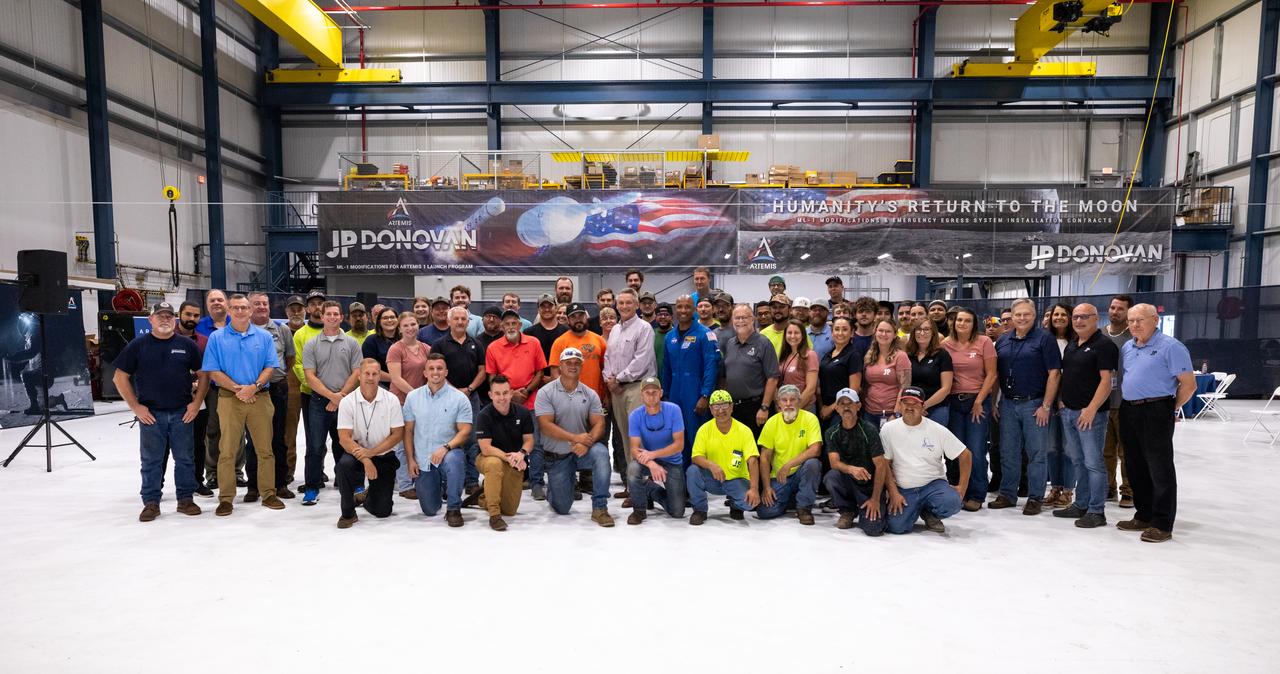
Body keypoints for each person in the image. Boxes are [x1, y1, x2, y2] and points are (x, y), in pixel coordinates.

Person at [114, 302, 210, 521]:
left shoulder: (187, 345)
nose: (165, 320)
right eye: (160, 316)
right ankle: (151, 502)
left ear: (174, 320)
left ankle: (185, 500)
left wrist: (196, 404)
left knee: (185, 459)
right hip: (151, 415)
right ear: (151, 320)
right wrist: (136, 407)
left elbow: (204, 375)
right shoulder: (138, 346)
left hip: (181, 412)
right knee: (151, 461)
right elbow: (119, 377)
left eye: (169, 316)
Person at [1116, 303, 1195, 543]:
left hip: (1157, 408)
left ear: (1155, 320)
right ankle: (1143, 514)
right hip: (1129, 409)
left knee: (1159, 467)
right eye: (1131, 320)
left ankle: (1162, 523)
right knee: (1135, 464)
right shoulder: (1128, 347)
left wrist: (1168, 408)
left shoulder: (1171, 347)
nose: (1134, 325)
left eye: (1140, 320)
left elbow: (1189, 385)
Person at [200, 294, 285, 516]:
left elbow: (270, 367)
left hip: (260, 398)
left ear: (250, 311)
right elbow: (213, 370)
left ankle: (268, 493)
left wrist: (253, 387)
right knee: (227, 451)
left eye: (244, 308)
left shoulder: (265, 337)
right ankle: (226, 498)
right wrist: (238, 389)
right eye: (235, 308)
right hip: (229, 399)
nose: (240, 311)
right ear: (229, 311)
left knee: (265, 450)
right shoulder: (217, 338)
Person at [991, 297, 1062, 516]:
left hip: (1035, 404)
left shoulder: (1045, 339)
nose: (1022, 318)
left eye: (1027, 314)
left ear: (1034, 316)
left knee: (1036, 453)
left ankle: (1034, 497)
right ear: (1011, 317)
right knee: (1008, 451)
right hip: (1008, 404)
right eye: (1018, 314)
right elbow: (995, 375)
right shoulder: (1003, 340)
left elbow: (1054, 373)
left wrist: (1046, 406)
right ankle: (1007, 494)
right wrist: (995, 402)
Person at [1052, 302, 1118, 529]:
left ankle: (1097, 511)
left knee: (1093, 463)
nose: (1079, 321)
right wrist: (1062, 401)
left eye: (1084, 317)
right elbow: (1067, 376)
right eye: (1076, 317)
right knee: (1078, 461)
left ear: (1095, 319)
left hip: (1091, 415)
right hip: (1069, 412)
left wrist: (1090, 410)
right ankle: (1081, 504)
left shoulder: (1104, 346)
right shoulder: (1073, 345)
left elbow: (1106, 382)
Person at [534, 348, 615, 527]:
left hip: (582, 451)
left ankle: (600, 508)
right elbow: (545, 426)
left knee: (601, 454)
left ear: (581, 367)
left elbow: (599, 424)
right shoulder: (546, 392)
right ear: (560, 366)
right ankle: (556, 490)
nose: (573, 366)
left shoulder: (590, 393)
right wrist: (576, 438)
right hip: (558, 456)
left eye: (577, 363)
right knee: (562, 507)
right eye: (568, 363)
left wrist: (587, 443)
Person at [882, 386, 971, 534]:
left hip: (933, 484)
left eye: (914, 403)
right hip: (905, 489)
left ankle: (931, 513)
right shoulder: (888, 429)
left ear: (923, 406)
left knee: (953, 502)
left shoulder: (937, 429)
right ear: (900, 404)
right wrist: (893, 492)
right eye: (906, 403)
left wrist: (962, 487)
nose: (909, 407)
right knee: (896, 527)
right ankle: (916, 509)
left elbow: (965, 454)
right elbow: (885, 463)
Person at [301, 301, 362, 506]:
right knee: (315, 446)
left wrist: (341, 395)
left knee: (346, 444)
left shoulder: (352, 343)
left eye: (336, 314)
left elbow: (357, 372)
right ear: (323, 316)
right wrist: (331, 396)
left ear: (341, 317)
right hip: (319, 402)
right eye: (329, 314)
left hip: (346, 401)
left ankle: (352, 483)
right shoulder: (312, 344)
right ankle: (311, 487)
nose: (333, 317)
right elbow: (310, 376)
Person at [403, 353, 473, 527]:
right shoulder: (413, 397)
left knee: (454, 459)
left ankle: (454, 508)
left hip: (448, 453)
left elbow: (465, 431)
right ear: (425, 372)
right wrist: (411, 460)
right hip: (424, 460)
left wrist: (446, 447)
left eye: (440, 368)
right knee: (430, 509)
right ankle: (440, 488)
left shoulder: (459, 398)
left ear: (446, 372)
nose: (436, 372)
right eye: (431, 368)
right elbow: (408, 431)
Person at [334, 359, 404, 528]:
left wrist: (371, 453)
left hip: (383, 454)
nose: (370, 377)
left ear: (380, 376)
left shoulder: (391, 400)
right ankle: (348, 513)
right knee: (344, 465)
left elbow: (397, 434)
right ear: (359, 375)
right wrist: (365, 459)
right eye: (367, 373)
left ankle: (368, 496)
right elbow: (344, 438)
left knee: (383, 511)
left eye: (374, 374)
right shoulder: (347, 402)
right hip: (356, 454)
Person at [486, 309, 548, 498]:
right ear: (502, 327)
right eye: (507, 324)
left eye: (514, 323)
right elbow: (491, 376)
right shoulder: (493, 347)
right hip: (506, 403)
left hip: (531, 401)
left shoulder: (534, 342)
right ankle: (512, 479)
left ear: (520, 325)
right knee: (507, 443)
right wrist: (510, 395)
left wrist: (527, 391)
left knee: (535, 443)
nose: (511, 327)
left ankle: (536, 482)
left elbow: (540, 372)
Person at [942, 307, 997, 511]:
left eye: (967, 320)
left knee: (976, 448)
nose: (962, 324)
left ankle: (976, 494)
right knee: (954, 450)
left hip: (977, 401)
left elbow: (991, 374)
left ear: (974, 324)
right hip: (953, 402)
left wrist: (979, 401)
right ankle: (956, 491)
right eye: (959, 320)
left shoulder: (984, 342)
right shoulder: (945, 344)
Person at [466, 375, 534, 531]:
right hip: (488, 458)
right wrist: (510, 457)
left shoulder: (523, 413)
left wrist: (521, 454)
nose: (502, 397)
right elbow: (486, 448)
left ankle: (483, 497)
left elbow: (529, 441)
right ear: (491, 395)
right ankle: (494, 516)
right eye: (497, 393)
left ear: (511, 393)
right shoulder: (484, 415)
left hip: (514, 460)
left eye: (505, 393)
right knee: (494, 464)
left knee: (510, 510)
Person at [432, 306, 488, 496]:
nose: (459, 322)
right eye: (455, 319)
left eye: (463, 319)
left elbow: (483, 371)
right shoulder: (439, 344)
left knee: (472, 440)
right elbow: (436, 370)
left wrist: (469, 389)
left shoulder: (476, 343)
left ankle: (472, 481)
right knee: (450, 439)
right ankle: (449, 482)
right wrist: (454, 391)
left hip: (471, 397)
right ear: (449, 321)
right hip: (446, 397)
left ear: (468, 321)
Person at [244, 292, 294, 501]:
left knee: (278, 437)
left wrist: (277, 377)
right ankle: (253, 486)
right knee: (253, 440)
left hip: (277, 388)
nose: (262, 307)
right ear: (249, 307)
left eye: (265, 303)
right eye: (257, 303)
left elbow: (289, 358)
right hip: (252, 392)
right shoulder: (242, 331)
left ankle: (280, 483)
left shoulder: (282, 330)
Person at [687, 390, 762, 524]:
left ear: (732, 407)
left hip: (736, 479)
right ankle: (700, 510)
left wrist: (754, 489)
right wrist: (712, 465)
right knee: (692, 471)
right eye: (716, 406)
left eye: (724, 405)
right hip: (712, 478)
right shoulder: (704, 429)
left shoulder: (744, 431)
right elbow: (696, 457)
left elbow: (753, 461)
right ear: (710, 409)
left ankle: (736, 505)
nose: (721, 410)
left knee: (750, 504)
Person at [660, 295, 718, 464]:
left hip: (695, 395)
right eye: (680, 307)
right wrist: (665, 396)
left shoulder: (705, 335)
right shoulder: (669, 337)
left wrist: (705, 395)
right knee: (677, 439)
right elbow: (666, 369)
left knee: (696, 439)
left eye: (687, 307)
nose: (683, 310)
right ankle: (680, 484)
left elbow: (711, 366)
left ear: (694, 309)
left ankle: (697, 484)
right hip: (675, 397)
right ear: (675, 310)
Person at [822, 388, 887, 535]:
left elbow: (881, 466)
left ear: (858, 406)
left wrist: (875, 499)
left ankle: (878, 507)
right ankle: (848, 510)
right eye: (842, 404)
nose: (846, 407)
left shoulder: (869, 430)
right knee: (831, 477)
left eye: (850, 403)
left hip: (870, 486)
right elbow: (834, 463)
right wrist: (852, 469)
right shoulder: (831, 433)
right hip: (849, 482)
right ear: (836, 408)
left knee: (873, 529)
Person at [755, 385, 822, 524]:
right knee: (764, 512)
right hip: (779, 478)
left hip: (799, 473)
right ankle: (791, 500)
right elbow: (765, 458)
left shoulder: (810, 419)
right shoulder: (772, 422)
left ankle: (804, 508)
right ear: (778, 403)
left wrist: (789, 465)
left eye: (792, 400)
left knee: (813, 464)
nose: (788, 404)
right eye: (784, 400)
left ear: (799, 401)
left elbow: (816, 449)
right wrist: (767, 487)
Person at [625, 377, 686, 524]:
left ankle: (649, 489)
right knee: (633, 469)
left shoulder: (674, 410)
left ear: (661, 393)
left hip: (671, 462)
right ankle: (639, 510)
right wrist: (652, 463)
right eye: (647, 392)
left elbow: (679, 445)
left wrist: (653, 454)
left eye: (654, 392)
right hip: (647, 461)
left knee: (677, 512)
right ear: (642, 395)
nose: (651, 396)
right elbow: (634, 449)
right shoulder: (635, 415)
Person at [603, 288, 656, 460]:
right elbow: (608, 357)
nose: (624, 306)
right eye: (621, 303)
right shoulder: (615, 330)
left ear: (636, 305)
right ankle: (632, 484)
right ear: (616, 305)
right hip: (617, 391)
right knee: (625, 438)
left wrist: (617, 379)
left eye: (628, 302)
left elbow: (641, 361)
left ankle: (643, 483)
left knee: (638, 439)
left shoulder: (644, 328)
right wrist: (609, 380)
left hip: (636, 389)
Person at [718, 304, 780, 436]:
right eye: (737, 318)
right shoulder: (730, 343)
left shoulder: (763, 343)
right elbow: (725, 376)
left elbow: (773, 378)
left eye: (744, 317)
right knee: (736, 449)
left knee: (755, 450)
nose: (740, 321)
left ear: (753, 319)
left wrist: (764, 407)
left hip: (755, 407)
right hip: (733, 408)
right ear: (732, 320)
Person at [387, 311, 428, 498]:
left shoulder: (426, 348)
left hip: (422, 403)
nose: (410, 328)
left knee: (419, 443)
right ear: (399, 328)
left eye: (413, 324)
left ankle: (420, 479)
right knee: (402, 445)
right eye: (406, 325)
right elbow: (396, 378)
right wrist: (416, 395)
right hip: (402, 402)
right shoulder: (396, 349)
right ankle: (404, 485)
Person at [289, 289, 327, 488]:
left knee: (339, 437)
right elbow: (297, 364)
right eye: (313, 304)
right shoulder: (301, 334)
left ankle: (340, 475)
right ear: (308, 308)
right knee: (314, 438)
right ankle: (315, 476)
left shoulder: (334, 330)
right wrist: (315, 385)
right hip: (310, 394)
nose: (317, 307)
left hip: (336, 394)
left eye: (321, 303)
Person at [175, 301, 213, 496]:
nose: (192, 319)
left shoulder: (205, 341)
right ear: (180, 314)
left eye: (196, 316)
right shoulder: (167, 336)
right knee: (166, 445)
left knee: (198, 442)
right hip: (172, 399)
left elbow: (208, 369)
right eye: (188, 314)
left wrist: (199, 386)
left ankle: (197, 481)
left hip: (199, 398)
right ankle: (158, 485)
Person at [1043, 301, 1077, 508]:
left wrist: (1064, 397)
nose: (1059, 318)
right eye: (1056, 315)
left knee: (1068, 448)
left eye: (1063, 315)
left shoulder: (1076, 342)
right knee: (1051, 448)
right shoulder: (1045, 340)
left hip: (1068, 402)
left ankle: (1068, 490)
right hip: (1047, 401)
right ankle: (1054, 488)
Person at [1103, 294, 1134, 507]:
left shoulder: (1134, 335)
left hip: (1126, 404)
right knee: (1105, 452)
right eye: (1113, 308)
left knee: (1127, 452)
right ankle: (1108, 488)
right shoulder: (1100, 334)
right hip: (1103, 403)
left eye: (1120, 309)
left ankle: (1129, 491)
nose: (1115, 312)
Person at [818, 317, 864, 433]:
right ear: (832, 332)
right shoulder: (828, 354)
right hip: (824, 410)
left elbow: (854, 389)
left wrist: (831, 408)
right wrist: (822, 406)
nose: (840, 333)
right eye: (837, 329)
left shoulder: (853, 355)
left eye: (844, 329)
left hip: (842, 411)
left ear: (852, 333)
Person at [863, 319, 911, 427]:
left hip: (891, 414)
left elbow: (905, 387)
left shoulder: (901, 356)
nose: (883, 334)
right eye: (880, 330)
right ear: (875, 332)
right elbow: (866, 385)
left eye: (888, 331)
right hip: (869, 412)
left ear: (895, 335)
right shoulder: (869, 356)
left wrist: (896, 413)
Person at [905, 319, 953, 426]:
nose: (922, 333)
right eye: (918, 329)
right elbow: (904, 384)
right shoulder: (907, 355)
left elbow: (946, 388)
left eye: (926, 329)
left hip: (936, 408)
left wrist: (924, 405)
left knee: (933, 442)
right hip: (911, 406)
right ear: (913, 332)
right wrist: (914, 406)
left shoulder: (942, 354)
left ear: (933, 333)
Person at [778, 319, 818, 413]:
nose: (792, 336)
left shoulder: (810, 355)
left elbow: (811, 388)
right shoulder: (785, 355)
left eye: (796, 333)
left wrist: (794, 409)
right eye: (789, 333)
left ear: (803, 335)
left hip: (804, 409)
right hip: (786, 409)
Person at [361, 307, 400, 381]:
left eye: (392, 317)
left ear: (398, 320)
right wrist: (397, 380)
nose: (389, 320)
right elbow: (371, 368)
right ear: (379, 321)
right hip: (381, 385)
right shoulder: (371, 341)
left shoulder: (405, 339)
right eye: (385, 318)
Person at [850, 296, 877, 364]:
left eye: (868, 311)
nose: (864, 314)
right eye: (860, 311)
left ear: (875, 315)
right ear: (855, 315)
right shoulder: (848, 338)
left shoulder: (879, 338)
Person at [651, 303, 673, 373]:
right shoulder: (651, 334)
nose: (663, 317)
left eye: (666, 314)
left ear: (671, 317)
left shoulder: (678, 334)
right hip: (654, 378)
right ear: (655, 317)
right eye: (659, 314)